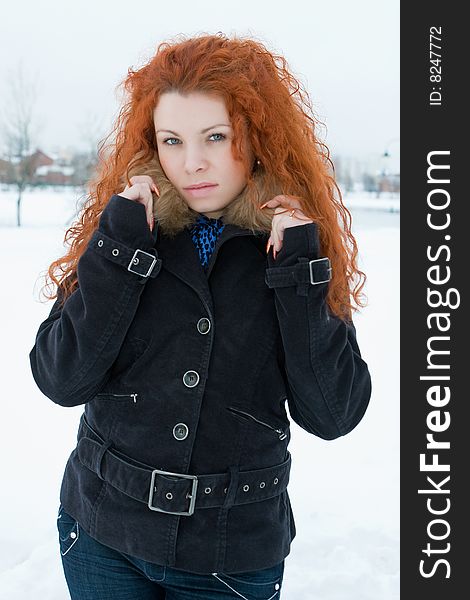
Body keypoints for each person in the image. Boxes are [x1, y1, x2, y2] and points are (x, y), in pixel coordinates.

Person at [29, 33, 372, 600]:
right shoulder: (127, 230)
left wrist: (298, 276)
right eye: (172, 140)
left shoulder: (296, 249)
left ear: (257, 138)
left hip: (230, 556)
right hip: (101, 534)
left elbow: (334, 413)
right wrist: (118, 246)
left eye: (217, 136)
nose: (192, 163)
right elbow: (62, 378)